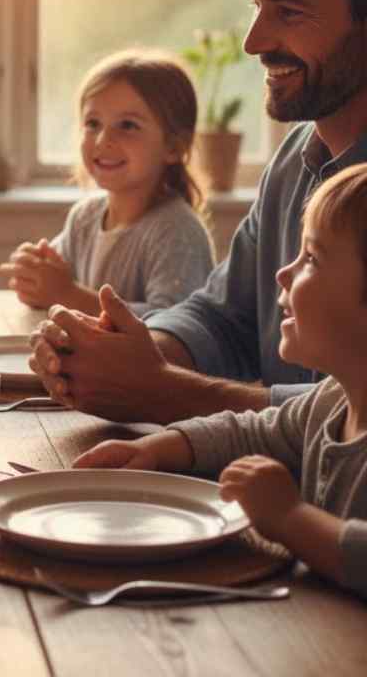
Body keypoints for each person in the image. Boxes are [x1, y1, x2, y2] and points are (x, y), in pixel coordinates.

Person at [27, 0, 367, 424]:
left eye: (289, 11)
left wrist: (166, 392)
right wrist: (123, 349)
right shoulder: (295, 158)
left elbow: (356, 418)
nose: (253, 41)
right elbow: (223, 317)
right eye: (257, 6)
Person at [74, 164, 367, 599]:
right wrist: (156, 449)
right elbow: (252, 430)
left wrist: (289, 518)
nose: (282, 274)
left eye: (311, 259)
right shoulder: (332, 401)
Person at [0, 50, 213, 317]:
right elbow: (53, 286)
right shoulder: (84, 218)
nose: (103, 140)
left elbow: (172, 326)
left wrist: (67, 294)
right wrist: (34, 274)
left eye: (127, 125)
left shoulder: (177, 232)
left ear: (173, 147)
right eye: (92, 123)